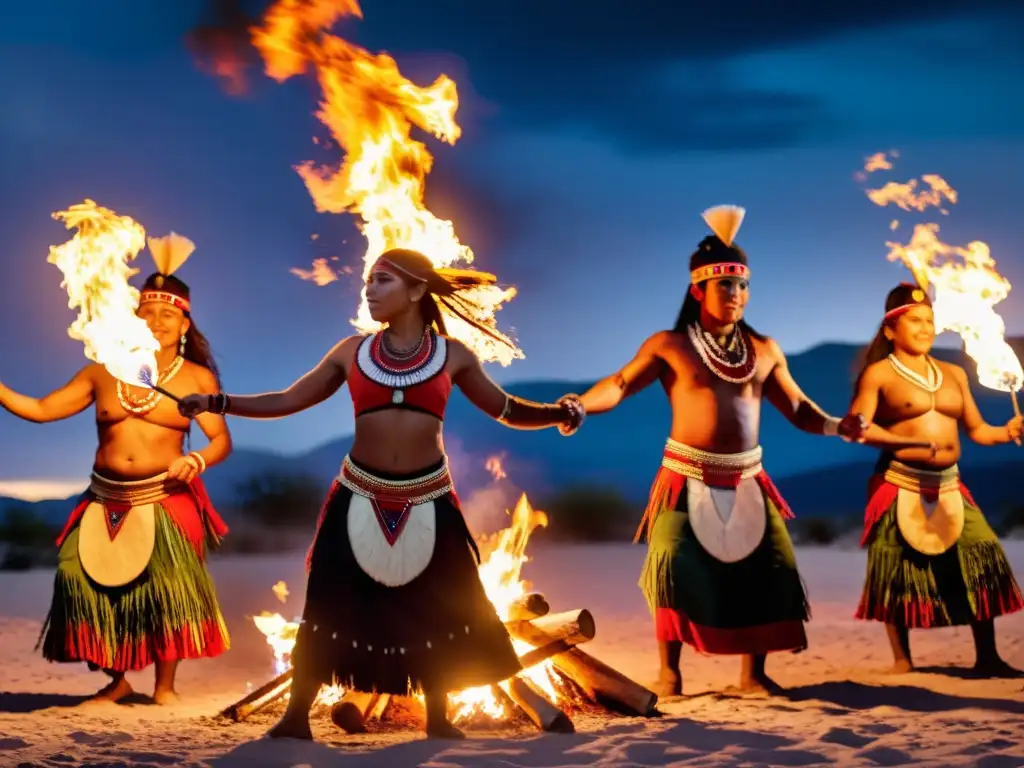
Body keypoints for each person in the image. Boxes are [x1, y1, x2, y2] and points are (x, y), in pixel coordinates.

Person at [178, 247, 584, 740]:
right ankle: (295, 718)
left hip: (429, 496)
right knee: (330, 604)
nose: (369, 289)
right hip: (358, 493)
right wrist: (217, 403)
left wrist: (558, 413)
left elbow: (506, 409)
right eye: (369, 281)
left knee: (438, 605)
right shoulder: (350, 352)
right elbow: (288, 400)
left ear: (416, 290)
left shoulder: (452, 355)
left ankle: (438, 720)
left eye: (383, 281)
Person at [577, 205, 929, 697]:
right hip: (685, 474)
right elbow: (617, 384)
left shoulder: (765, 349)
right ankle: (671, 673)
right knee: (673, 565)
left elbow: (801, 409)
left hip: (748, 476)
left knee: (771, 569)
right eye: (725, 286)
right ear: (698, 289)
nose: (737, 295)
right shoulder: (669, 346)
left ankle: (754, 674)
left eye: (743, 286)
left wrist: (839, 426)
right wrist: (579, 405)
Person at [0, 233, 232, 704]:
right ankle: (117, 679)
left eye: (169, 313)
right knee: (79, 580)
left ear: (185, 323)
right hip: (104, 497)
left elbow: (221, 439)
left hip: (165, 497)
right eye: (147, 311)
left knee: (169, 587)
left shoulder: (195, 378)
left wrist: (197, 459)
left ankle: (165, 687)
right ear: (133, 317)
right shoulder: (101, 371)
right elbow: (43, 409)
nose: (157, 321)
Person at [849, 282, 1024, 676]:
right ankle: (902, 661)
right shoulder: (878, 375)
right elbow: (859, 428)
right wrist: (900, 438)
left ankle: (988, 657)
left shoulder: (954, 374)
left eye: (930, 320)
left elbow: (977, 430)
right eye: (915, 321)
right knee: (894, 569)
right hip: (900, 481)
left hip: (950, 483)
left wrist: (1009, 430)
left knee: (982, 556)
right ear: (891, 329)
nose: (926, 327)